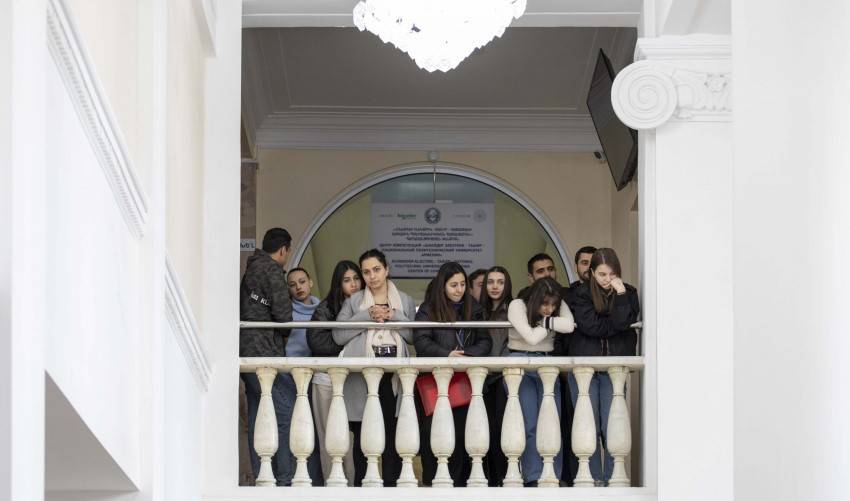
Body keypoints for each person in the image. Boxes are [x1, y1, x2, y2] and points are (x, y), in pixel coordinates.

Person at [332, 249, 416, 487]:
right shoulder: (354, 300)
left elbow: (413, 336)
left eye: (376, 270)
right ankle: (362, 488)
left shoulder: (405, 300)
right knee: (363, 435)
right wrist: (366, 315)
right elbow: (338, 335)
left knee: (392, 434)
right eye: (366, 272)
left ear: (386, 269)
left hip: (392, 377)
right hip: (362, 377)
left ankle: (391, 487)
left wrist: (394, 315)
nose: (372, 276)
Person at [414, 262, 492, 487]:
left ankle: (460, 487)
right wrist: (447, 354)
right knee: (435, 435)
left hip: (465, 384)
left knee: (462, 436)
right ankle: (433, 485)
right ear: (443, 286)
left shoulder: (474, 307)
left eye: (462, 284)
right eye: (453, 285)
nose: (459, 290)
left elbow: (485, 341)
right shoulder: (428, 309)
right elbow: (421, 342)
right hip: (435, 383)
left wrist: (466, 355)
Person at [568, 248, 640, 486]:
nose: (607, 279)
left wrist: (620, 295)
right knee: (588, 426)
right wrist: (615, 326)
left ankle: (613, 479)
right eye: (601, 274)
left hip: (613, 370)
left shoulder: (628, 292)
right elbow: (591, 326)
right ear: (591, 273)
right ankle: (593, 480)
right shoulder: (580, 293)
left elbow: (622, 321)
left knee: (613, 426)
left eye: (612, 274)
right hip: (586, 370)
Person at [239, 228, 297, 486]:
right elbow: (284, 317)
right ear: (283, 249)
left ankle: (262, 476)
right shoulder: (272, 270)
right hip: (265, 353)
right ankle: (283, 478)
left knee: (257, 415)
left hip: (247, 353)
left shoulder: (251, 268)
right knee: (286, 411)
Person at [506, 277, 575, 486]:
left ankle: (552, 475)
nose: (550, 309)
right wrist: (552, 323)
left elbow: (569, 326)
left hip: (547, 363)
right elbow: (531, 338)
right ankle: (533, 477)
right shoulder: (517, 305)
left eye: (553, 305)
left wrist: (544, 321)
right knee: (530, 424)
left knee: (552, 422)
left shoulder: (558, 305)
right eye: (545, 304)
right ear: (535, 299)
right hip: (520, 363)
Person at [307, 260, 363, 485]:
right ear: (338, 283)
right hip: (328, 380)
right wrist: (347, 343)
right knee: (331, 441)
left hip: (358, 382)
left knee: (359, 442)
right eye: (347, 280)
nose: (353, 284)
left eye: (356, 279)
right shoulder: (327, 307)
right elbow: (317, 342)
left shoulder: (368, 305)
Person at [285, 267, 323, 484]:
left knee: (314, 429)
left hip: (314, 376)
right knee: (297, 429)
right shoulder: (286, 311)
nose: (298, 287)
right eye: (292, 285)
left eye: (301, 281)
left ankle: (316, 480)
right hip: (291, 377)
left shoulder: (322, 310)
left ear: (310, 282)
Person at [479, 266, 513, 486]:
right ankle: (488, 480)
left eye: (500, 282)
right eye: (491, 282)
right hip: (480, 377)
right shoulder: (477, 310)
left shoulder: (513, 309)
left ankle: (502, 479)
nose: (495, 286)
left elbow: (513, 343)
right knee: (483, 429)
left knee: (502, 429)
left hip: (502, 377)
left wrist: (500, 364)